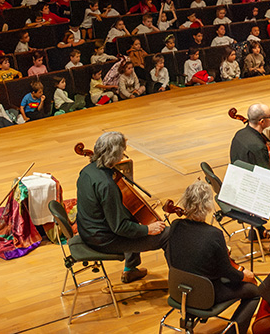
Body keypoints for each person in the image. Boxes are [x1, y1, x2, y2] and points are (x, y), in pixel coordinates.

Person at [163, 180, 260, 334]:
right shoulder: (214, 234)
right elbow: (227, 272)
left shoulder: (175, 226)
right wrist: (244, 275)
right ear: (208, 206)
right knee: (254, 291)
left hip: (179, 289)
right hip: (206, 295)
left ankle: (191, 315)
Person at [76, 131, 169, 284]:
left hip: (86, 230)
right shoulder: (106, 185)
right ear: (115, 155)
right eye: (122, 152)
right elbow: (120, 227)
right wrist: (148, 229)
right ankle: (180, 284)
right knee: (168, 234)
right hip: (103, 240)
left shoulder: (87, 171)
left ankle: (131, 269)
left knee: (128, 212)